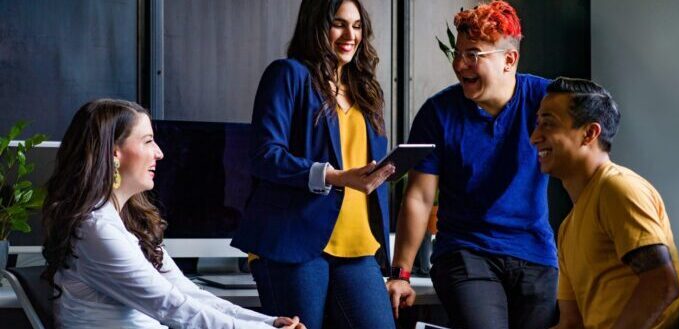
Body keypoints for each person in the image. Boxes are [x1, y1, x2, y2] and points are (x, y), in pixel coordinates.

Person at [41, 99, 305, 329]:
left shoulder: (127, 222)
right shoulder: (96, 229)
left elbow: (187, 293)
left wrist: (266, 322)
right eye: (148, 141)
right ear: (114, 153)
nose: (160, 152)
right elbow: (171, 307)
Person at [387, 2, 558, 328]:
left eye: (473, 54)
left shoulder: (546, 100)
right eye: (458, 53)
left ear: (509, 60)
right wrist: (401, 274)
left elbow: (594, 133)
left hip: (535, 255)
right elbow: (420, 197)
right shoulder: (438, 113)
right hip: (465, 254)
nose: (459, 63)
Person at [230, 1, 396, 329]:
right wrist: (333, 176)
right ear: (316, 26)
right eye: (339, 24)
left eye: (357, 26)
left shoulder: (366, 90)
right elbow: (265, 155)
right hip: (294, 240)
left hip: (358, 243)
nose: (351, 35)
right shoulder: (288, 74)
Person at [531, 77, 679, 329]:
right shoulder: (568, 227)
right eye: (538, 125)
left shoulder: (618, 189)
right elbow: (571, 323)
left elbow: (662, 284)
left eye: (548, 125)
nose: (534, 137)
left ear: (589, 133)